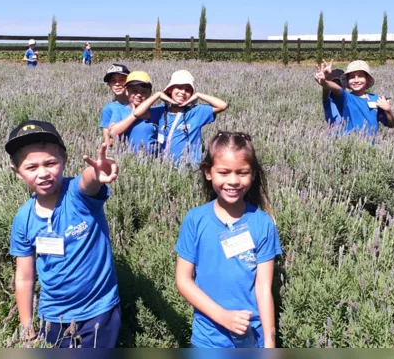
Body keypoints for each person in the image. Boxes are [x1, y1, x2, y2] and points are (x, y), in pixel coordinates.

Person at [6, 120, 122, 348]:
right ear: (17, 172)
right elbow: (24, 276)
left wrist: (97, 173)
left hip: (98, 311)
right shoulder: (23, 219)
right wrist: (27, 327)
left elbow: (88, 181)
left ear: (64, 160)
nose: (43, 173)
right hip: (53, 317)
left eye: (51, 163)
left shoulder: (77, 196)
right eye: (31, 167)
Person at [174, 131, 282, 348]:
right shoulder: (195, 220)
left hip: (251, 338)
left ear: (252, 175)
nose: (233, 181)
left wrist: (270, 343)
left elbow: (263, 287)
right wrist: (222, 316)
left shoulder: (262, 223)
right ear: (208, 172)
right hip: (209, 338)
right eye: (224, 172)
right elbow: (183, 280)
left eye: (242, 173)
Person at [133, 70, 228, 166]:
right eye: (179, 87)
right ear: (170, 90)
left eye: (188, 90)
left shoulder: (195, 112)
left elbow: (222, 105)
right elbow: (137, 113)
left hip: (189, 167)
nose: (183, 92)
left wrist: (198, 95)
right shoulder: (161, 111)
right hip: (166, 167)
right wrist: (158, 95)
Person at [314, 60, 394, 136]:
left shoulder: (377, 99)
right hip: (351, 145)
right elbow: (337, 89)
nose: (356, 80)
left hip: (370, 148)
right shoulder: (346, 98)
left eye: (360, 76)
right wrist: (325, 82)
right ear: (347, 81)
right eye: (352, 77)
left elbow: (390, 124)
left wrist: (388, 110)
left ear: (367, 79)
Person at [108, 71, 166, 155]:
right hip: (127, 160)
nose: (139, 95)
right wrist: (135, 115)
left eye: (144, 92)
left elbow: (179, 106)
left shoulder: (157, 111)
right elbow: (113, 132)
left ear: (150, 93)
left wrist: (159, 95)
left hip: (153, 162)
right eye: (134, 91)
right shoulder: (120, 111)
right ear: (127, 91)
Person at [100, 63, 131, 146]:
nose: (117, 84)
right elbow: (106, 138)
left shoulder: (136, 104)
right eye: (113, 81)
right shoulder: (108, 108)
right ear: (109, 85)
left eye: (121, 80)